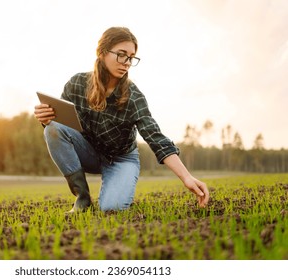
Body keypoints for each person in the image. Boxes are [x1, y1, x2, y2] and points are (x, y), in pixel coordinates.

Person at [34, 26, 209, 213]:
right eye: (121, 54)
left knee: (111, 208)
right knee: (52, 127)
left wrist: (187, 178)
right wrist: (47, 118)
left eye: (131, 57)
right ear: (102, 53)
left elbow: (155, 137)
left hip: (121, 159)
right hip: (90, 152)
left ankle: (117, 187)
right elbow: (63, 127)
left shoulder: (134, 97)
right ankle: (82, 199)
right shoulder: (76, 83)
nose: (126, 62)